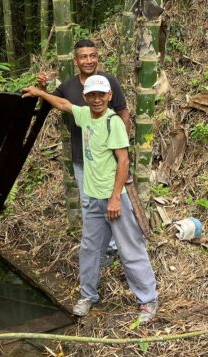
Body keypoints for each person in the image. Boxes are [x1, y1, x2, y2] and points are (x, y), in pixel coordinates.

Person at [23, 75, 159, 324]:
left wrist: (116, 198)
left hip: (113, 198)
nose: (96, 99)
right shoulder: (85, 115)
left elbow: (124, 161)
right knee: (89, 249)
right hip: (94, 199)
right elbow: (63, 105)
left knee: (130, 250)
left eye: (101, 95)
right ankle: (88, 295)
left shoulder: (113, 122)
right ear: (86, 97)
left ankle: (148, 300)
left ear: (109, 96)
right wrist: (40, 93)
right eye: (92, 95)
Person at [37, 39, 130, 259]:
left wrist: (121, 145)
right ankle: (97, 247)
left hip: (109, 155)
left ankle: (115, 248)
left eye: (92, 55)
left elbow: (123, 111)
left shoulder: (108, 81)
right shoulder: (69, 86)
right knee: (89, 202)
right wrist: (42, 90)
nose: (89, 60)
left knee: (113, 198)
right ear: (75, 60)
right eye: (84, 57)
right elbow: (55, 103)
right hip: (82, 156)